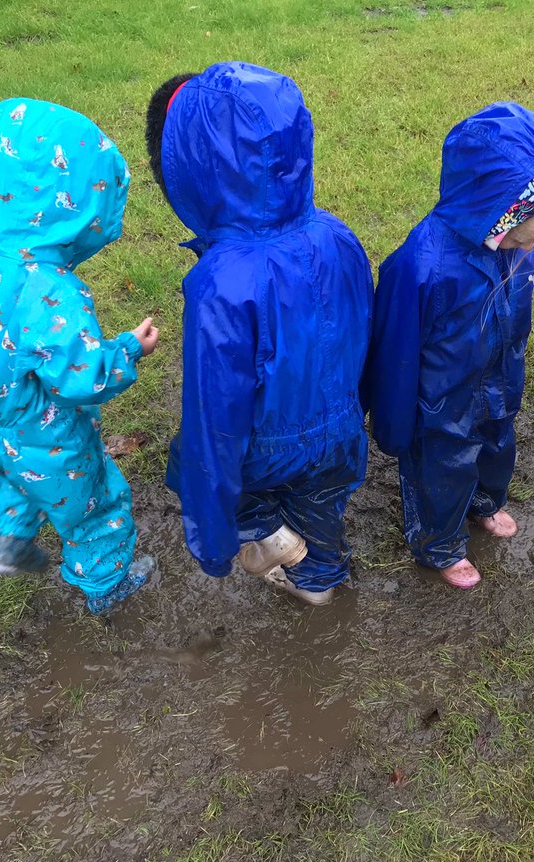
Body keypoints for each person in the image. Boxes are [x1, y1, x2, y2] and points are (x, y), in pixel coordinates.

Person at [0, 98, 159, 615]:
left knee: (15, 474)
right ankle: (107, 585)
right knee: (94, 504)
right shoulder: (43, 289)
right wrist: (130, 348)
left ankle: (12, 543)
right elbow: (81, 378)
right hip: (47, 434)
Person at [145, 62, 372, 606]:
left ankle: (263, 531)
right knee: (322, 514)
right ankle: (318, 583)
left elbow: (215, 419)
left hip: (265, 451)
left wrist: (213, 538)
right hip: (339, 430)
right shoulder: (338, 236)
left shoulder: (219, 281)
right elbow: (363, 332)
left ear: (193, 171)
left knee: (187, 465)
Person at [364, 103, 534, 589]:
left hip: (498, 377)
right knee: (443, 467)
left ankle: (486, 501)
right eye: (526, 238)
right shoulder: (421, 267)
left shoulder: (517, 246)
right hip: (441, 398)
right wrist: (395, 425)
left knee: (497, 443)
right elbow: (394, 352)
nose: (530, 248)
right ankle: (438, 543)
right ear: (500, 213)